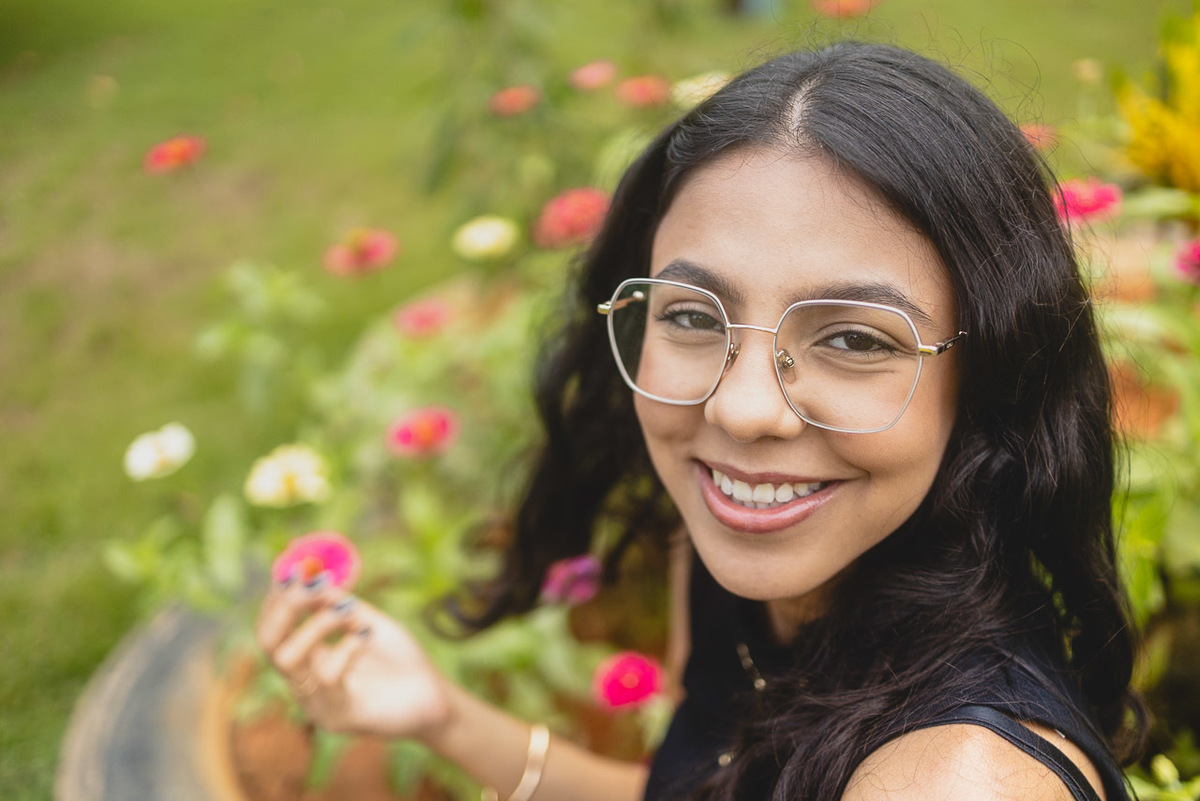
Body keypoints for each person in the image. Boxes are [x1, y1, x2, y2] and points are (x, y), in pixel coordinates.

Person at [256, 42, 1146, 801]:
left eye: (850, 336)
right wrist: (442, 716)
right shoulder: (749, 546)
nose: (741, 410)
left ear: (990, 373)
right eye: (691, 315)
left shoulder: (953, 778)